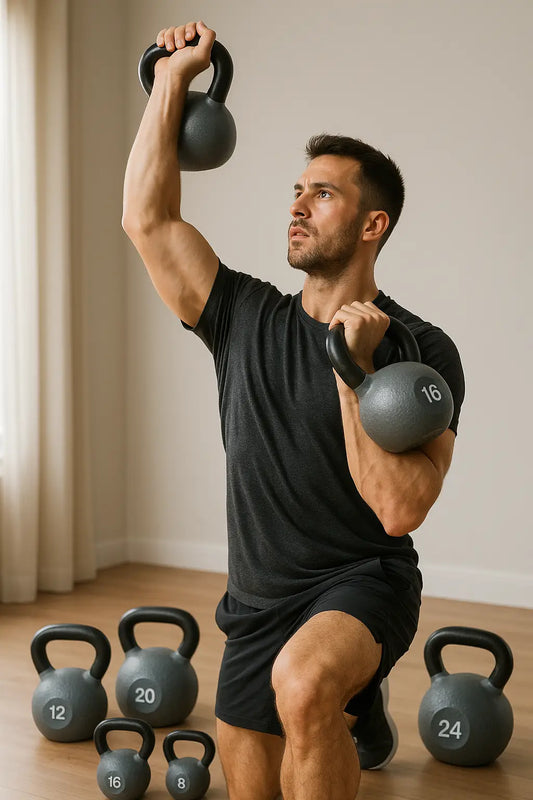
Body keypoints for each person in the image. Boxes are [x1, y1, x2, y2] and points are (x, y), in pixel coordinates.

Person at [122, 20, 465, 800]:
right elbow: (146, 221)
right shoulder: (243, 314)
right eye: (295, 190)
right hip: (257, 593)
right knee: (252, 781)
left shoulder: (422, 352)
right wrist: (173, 79)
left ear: (372, 224)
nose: (298, 206)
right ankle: (357, 705)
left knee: (304, 686)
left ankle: (343, 685)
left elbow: (398, 508)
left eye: (323, 193)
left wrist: (354, 372)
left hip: (362, 578)